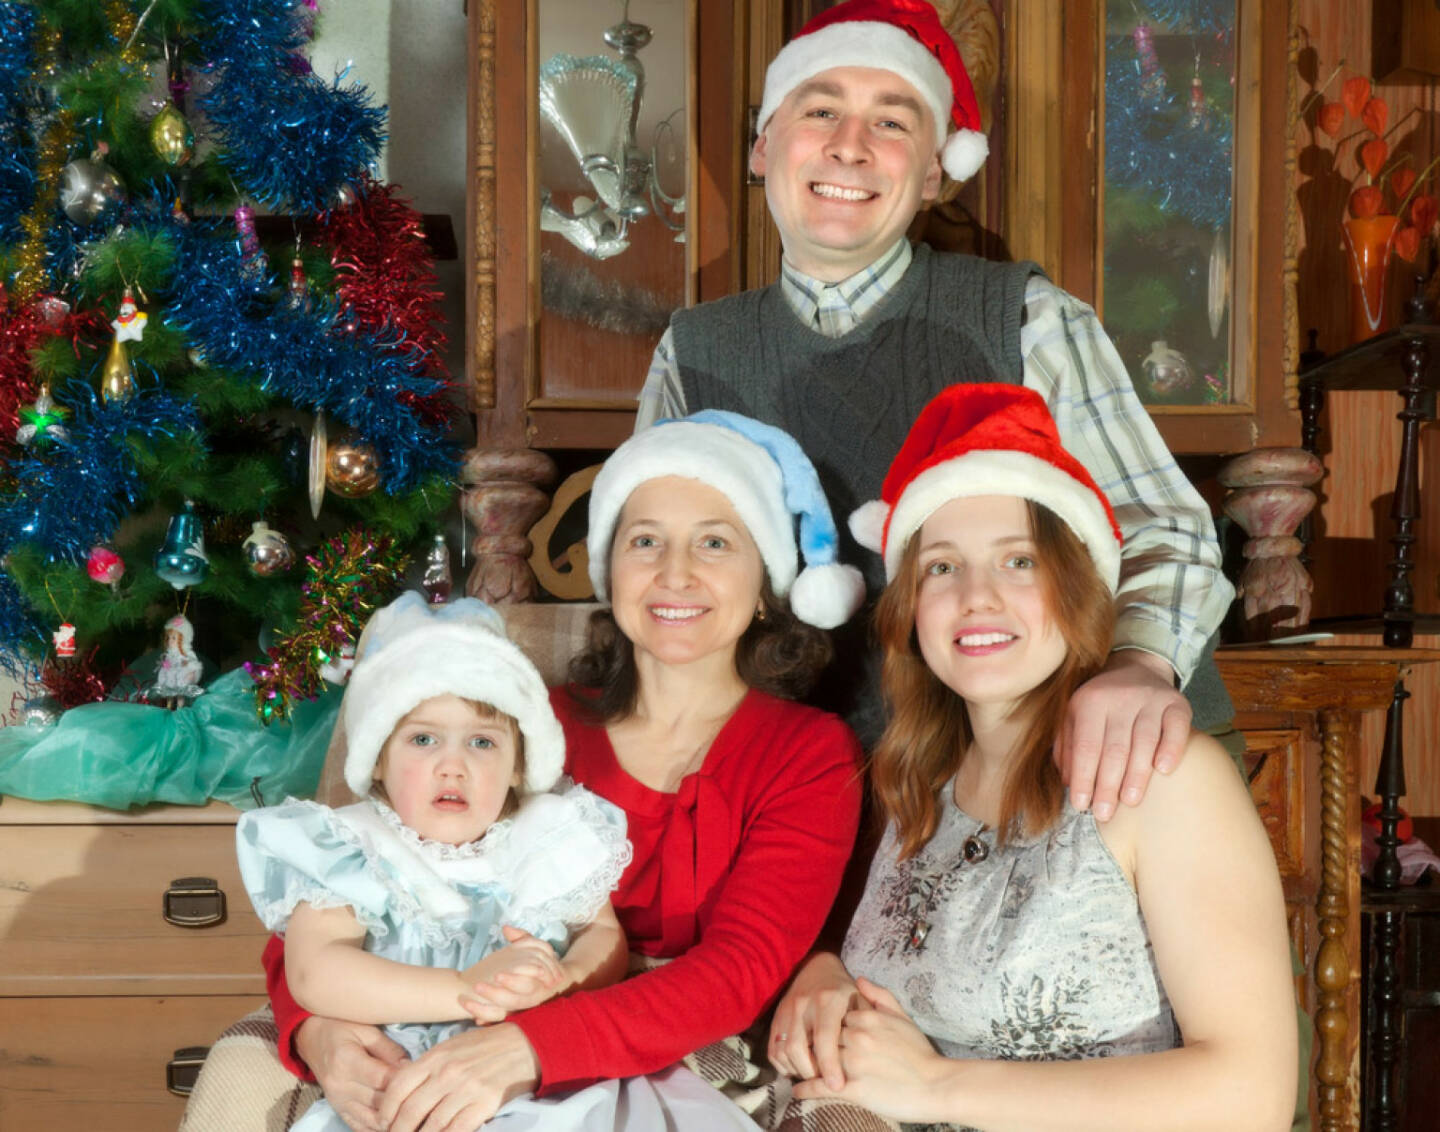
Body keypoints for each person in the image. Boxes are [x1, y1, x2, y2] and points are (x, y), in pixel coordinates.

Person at [636, 0, 1237, 822]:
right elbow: (657, 595)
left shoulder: (1027, 319)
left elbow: (1164, 529)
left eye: (892, 121)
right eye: (820, 111)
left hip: (1051, 784)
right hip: (799, 807)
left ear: (930, 173)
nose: (850, 144)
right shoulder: (692, 352)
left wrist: (1137, 666)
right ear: (762, 145)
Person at [261, 412, 868, 1132]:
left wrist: (526, 1048)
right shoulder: (519, 728)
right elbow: (358, 874)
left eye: (714, 542)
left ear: (766, 580)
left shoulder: (809, 754)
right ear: (610, 569)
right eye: (645, 541)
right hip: (463, 1012)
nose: (675, 574)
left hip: (648, 1039)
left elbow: (738, 971)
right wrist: (317, 1033)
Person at [768, 384, 1297, 1132]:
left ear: (1078, 587)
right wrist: (826, 976)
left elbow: (1251, 1099)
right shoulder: (912, 781)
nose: (977, 597)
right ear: (911, 610)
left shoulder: (1164, 779)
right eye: (942, 568)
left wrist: (937, 1087)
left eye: (1018, 561)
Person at [236, 593, 752, 1130]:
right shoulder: (354, 845)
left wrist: (565, 977)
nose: (452, 765)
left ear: (515, 766)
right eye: (423, 739)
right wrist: (467, 987)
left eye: (482, 742)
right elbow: (314, 972)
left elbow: (603, 934)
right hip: (415, 1074)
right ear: (379, 760)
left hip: (548, 1071)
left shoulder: (546, 836)